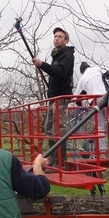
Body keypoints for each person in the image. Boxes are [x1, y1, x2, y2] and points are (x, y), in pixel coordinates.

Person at [32, 27, 75, 169]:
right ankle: (52, 159)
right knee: (50, 129)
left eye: (60, 36)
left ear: (66, 40)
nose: (57, 38)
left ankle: (60, 162)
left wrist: (42, 65)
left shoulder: (67, 55)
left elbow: (60, 72)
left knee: (59, 129)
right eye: (55, 36)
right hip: (53, 98)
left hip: (61, 98)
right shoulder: (56, 55)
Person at [74, 62, 109, 157]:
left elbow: (77, 97)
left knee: (100, 127)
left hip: (95, 103)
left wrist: (81, 106)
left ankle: (102, 152)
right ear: (89, 67)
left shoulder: (83, 78)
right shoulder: (98, 68)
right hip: (107, 97)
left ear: (82, 72)